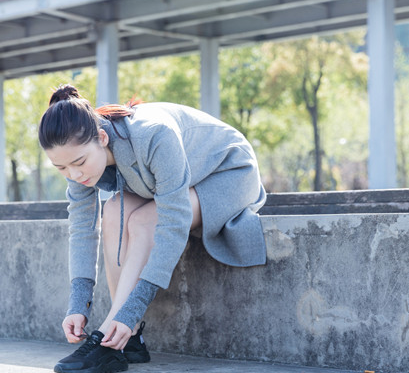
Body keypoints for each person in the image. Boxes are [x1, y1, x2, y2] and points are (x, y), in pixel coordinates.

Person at [39, 84, 267, 373]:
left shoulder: (155, 135)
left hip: (228, 173)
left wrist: (132, 308)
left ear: (102, 137)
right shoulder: (75, 155)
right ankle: (127, 339)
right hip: (176, 181)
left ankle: (113, 334)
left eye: (79, 163)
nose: (73, 174)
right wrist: (77, 305)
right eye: (61, 169)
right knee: (112, 211)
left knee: (144, 221)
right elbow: (82, 228)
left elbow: (172, 224)